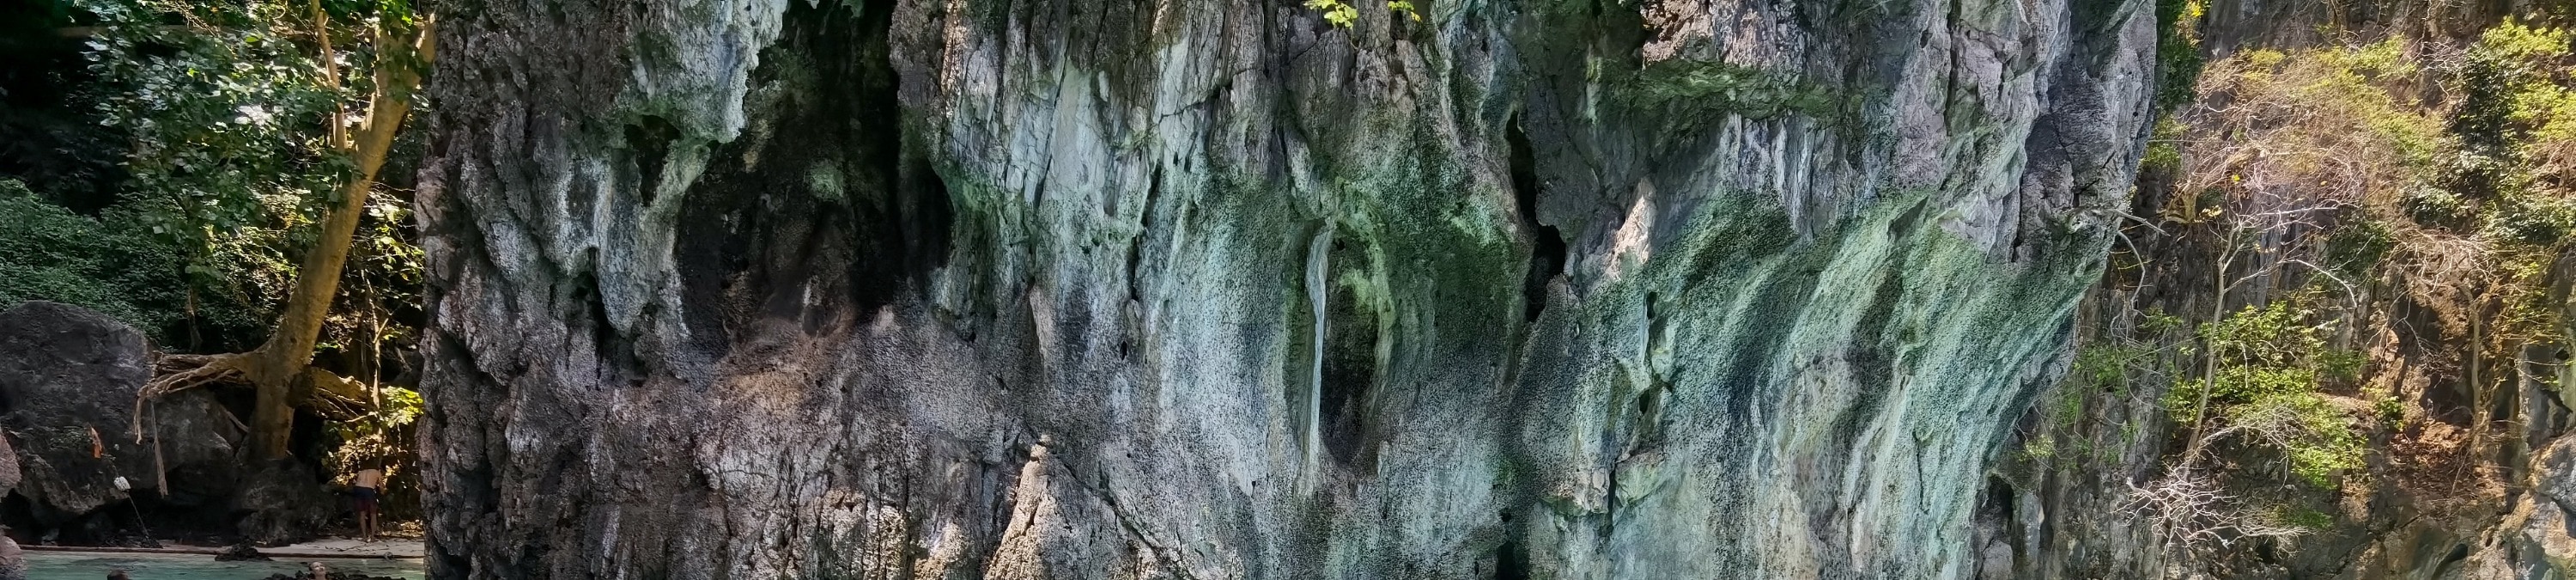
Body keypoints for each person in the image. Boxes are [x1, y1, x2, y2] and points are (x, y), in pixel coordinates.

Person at [351, 466, 384, 542]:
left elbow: (357, 482)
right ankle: (372, 537)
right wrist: (382, 492)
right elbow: (381, 487)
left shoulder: (362, 472)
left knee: (362, 514)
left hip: (358, 489)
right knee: (373, 513)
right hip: (368, 490)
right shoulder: (377, 472)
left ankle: (364, 536)